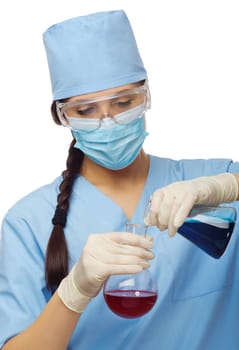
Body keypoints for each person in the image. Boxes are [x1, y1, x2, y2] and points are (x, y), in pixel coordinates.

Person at [0, 9, 239, 350]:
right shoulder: (29, 222)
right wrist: (74, 291)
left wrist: (227, 186)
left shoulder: (208, 182)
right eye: (85, 110)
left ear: (146, 97)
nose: (108, 121)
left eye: (124, 101)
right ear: (61, 115)